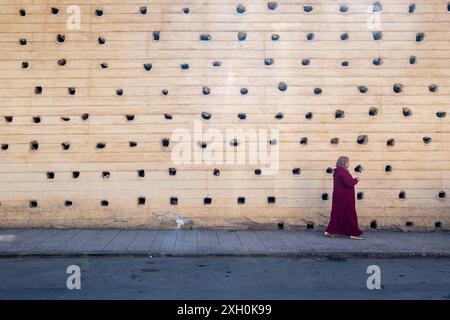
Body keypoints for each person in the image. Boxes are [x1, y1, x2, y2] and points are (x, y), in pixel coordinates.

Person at [325, 156, 364, 240]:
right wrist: (356, 180)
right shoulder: (342, 171)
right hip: (345, 198)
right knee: (349, 214)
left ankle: (330, 231)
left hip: (339, 196)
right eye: (347, 162)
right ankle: (354, 233)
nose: (348, 163)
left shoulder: (338, 171)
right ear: (343, 162)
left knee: (337, 213)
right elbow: (349, 183)